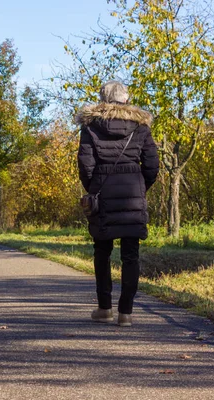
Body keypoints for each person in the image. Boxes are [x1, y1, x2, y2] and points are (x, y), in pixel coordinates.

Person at [76, 81, 159, 327]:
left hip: (102, 196)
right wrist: (140, 187)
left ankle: (104, 308)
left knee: (102, 251)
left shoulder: (91, 127)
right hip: (133, 193)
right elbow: (152, 166)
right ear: (125, 99)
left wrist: (94, 189)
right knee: (130, 255)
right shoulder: (141, 126)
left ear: (102, 100)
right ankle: (126, 313)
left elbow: (85, 165)